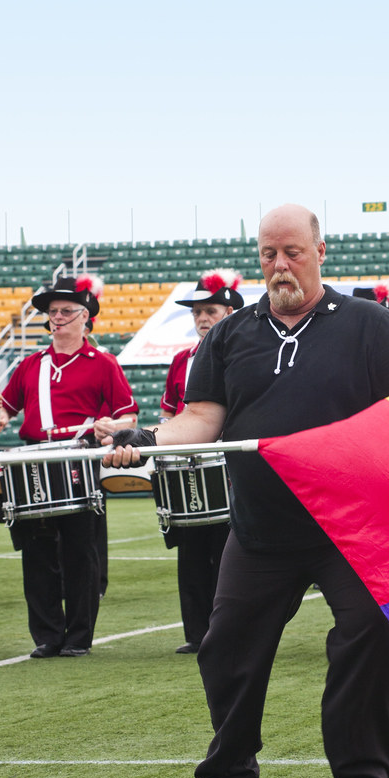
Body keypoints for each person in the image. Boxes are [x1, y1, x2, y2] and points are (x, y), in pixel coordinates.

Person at [104, 203, 389, 778]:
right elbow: (202, 419)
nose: (281, 266)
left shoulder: (371, 327)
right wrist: (143, 437)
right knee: (225, 647)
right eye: (269, 255)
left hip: (351, 528)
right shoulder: (230, 334)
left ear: (320, 252)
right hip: (259, 528)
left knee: (372, 638)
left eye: (293, 253)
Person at [0, 275, 138, 659]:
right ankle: (47, 635)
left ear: (85, 317)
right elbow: (6, 403)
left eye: (66, 311)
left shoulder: (103, 363)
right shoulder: (31, 364)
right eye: (52, 312)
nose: (57, 317)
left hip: (77, 456)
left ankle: (78, 637)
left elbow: (129, 417)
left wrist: (110, 427)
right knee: (35, 551)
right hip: (35, 456)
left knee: (79, 551)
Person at [159, 270, 244, 654]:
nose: (202, 319)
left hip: (229, 465)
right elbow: (169, 415)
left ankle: (233, 631)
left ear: (229, 310)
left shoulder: (244, 354)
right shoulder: (181, 360)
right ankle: (196, 633)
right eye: (196, 313)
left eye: (210, 310)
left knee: (230, 551)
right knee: (190, 550)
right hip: (185, 466)